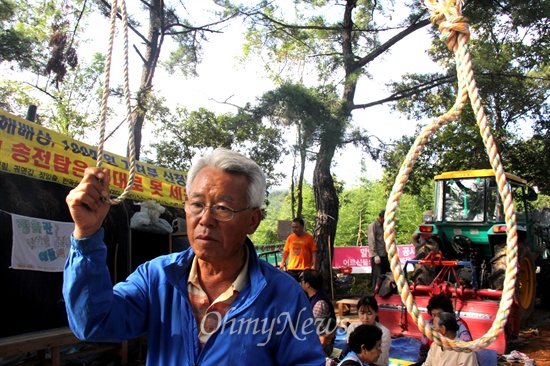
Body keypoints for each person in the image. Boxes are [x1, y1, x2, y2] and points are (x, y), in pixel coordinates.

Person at [62, 148, 326, 365]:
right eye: (197, 204)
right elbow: (94, 322)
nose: (206, 219)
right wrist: (86, 235)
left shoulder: (283, 296)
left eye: (223, 208)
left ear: (253, 221)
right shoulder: (157, 278)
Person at [412, 294, 472, 365]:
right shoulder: (434, 342)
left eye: (440, 314)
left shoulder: (460, 328)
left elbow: (467, 348)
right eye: (434, 315)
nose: (436, 318)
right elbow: (423, 352)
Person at [342, 295, 391, 366]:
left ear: (376, 313)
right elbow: (350, 351)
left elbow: (379, 360)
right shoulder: (353, 328)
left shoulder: (384, 332)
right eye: (362, 313)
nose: (365, 317)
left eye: (369, 313)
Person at [301, 269, 338, 357]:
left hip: (323, 347)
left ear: (307, 284)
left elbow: (311, 328)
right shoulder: (314, 298)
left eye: (302, 280)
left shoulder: (320, 303)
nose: (300, 282)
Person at [368, 210, 390, 293]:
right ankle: (375, 294)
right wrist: (375, 255)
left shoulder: (385, 227)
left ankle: (385, 294)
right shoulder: (373, 226)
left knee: (387, 276)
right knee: (377, 277)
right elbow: (371, 241)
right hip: (377, 256)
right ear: (381, 218)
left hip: (385, 254)